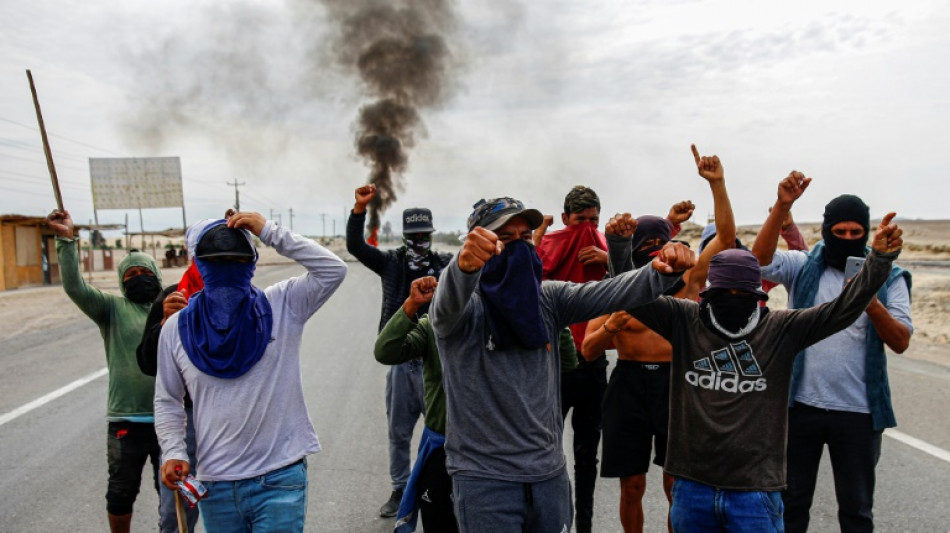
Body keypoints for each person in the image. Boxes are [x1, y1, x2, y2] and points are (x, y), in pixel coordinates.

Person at [625, 207, 904, 532]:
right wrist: (619, 245)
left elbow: (843, 309)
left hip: (755, 491)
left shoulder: (781, 328)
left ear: (758, 295)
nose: (732, 300)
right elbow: (629, 294)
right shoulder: (686, 320)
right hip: (692, 486)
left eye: (742, 294)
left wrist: (880, 260)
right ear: (707, 294)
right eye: (723, 294)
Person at [428, 196, 695, 533]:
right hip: (485, 479)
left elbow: (614, 292)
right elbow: (444, 307)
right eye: (504, 239)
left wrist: (658, 272)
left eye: (526, 237)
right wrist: (461, 268)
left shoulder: (548, 299)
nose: (519, 247)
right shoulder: (463, 309)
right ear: (479, 245)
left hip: (548, 476)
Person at [155, 213, 347, 532]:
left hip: (279, 477)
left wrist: (269, 231)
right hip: (216, 485)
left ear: (252, 262)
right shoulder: (176, 329)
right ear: (199, 265)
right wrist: (173, 451)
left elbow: (333, 270)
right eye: (217, 262)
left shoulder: (282, 305)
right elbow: (167, 400)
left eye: (238, 259)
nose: (228, 269)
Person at [582, 145, 735, 533]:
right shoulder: (619, 287)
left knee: (675, 485)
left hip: (676, 382)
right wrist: (613, 326)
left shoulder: (688, 280)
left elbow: (728, 239)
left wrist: (717, 184)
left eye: (659, 248)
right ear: (633, 254)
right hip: (629, 383)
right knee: (631, 485)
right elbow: (588, 348)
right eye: (645, 251)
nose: (654, 257)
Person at [752, 175, 913, 533]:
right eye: (839, 232)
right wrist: (782, 206)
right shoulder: (804, 265)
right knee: (789, 505)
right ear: (826, 231)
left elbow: (901, 341)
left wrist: (869, 300)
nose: (848, 239)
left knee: (856, 512)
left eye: (857, 233)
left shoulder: (890, 275)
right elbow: (759, 260)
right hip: (800, 407)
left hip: (858, 413)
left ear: (867, 232)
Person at [531, 186, 694, 533]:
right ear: (565, 219)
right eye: (580, 221)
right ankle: (550, 522)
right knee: (545, 450)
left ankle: (585, 527)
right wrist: (537, 237)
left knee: (588, 457)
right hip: (555, 363)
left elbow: (644, 253)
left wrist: (611, 254)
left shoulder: (607, 248)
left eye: (594, 220)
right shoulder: (550, 247)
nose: (587, 228)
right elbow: (526, 276)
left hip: (596, 370)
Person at [47, 209, 165, 533]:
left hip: (170, 420)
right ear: (120, 283)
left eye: (143, 271)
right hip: (126, 420)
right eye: (129, 275)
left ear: (156, 274)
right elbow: (75, 287)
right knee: (120, 494)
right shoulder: (111, 310)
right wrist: (65, 240)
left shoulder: (170, 307)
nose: (137, 277)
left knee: (173, 495)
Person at [346, 184, 453, 517]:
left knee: (446, 430)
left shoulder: (446, 264)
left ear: (431, 235)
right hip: (404, 362)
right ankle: (398, 489)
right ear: (406, 235)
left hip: (438, 362)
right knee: (398, 432)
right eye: (415, 234)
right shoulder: (390, 263)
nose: (420, 240)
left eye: (425, 234)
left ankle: (446, 487)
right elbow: (355, 246)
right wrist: (359, 211)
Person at [136, 218, 218, 533]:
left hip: (230, 418)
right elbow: (147, 361)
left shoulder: (242, 295)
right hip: (187, 419)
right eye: (205, 255)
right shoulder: (173, 296)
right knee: (177, 515)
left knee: (229, 506)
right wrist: (166, 324)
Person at [375, 276, 458, 533]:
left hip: (487, 453)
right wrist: (411, 304)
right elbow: (385, 351)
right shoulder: (434, 326)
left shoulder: (504, 324)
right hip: (442, 447)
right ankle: (400, 488)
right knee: (399, 432)